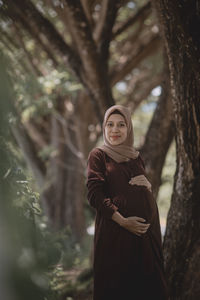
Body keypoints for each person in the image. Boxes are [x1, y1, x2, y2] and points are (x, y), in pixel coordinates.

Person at [86, 105, 169, 300]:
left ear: (129, 128)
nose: (115, 130)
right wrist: (123, 221)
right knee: (117, 288)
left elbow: (139, 189)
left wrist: (147, 185)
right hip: (115, 234)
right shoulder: (99, 155)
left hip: (145, 238)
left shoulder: (136, 157)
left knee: (147, 289)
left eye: (121, 125)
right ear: (104, 128)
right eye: (110, 125)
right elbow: (94, 194)